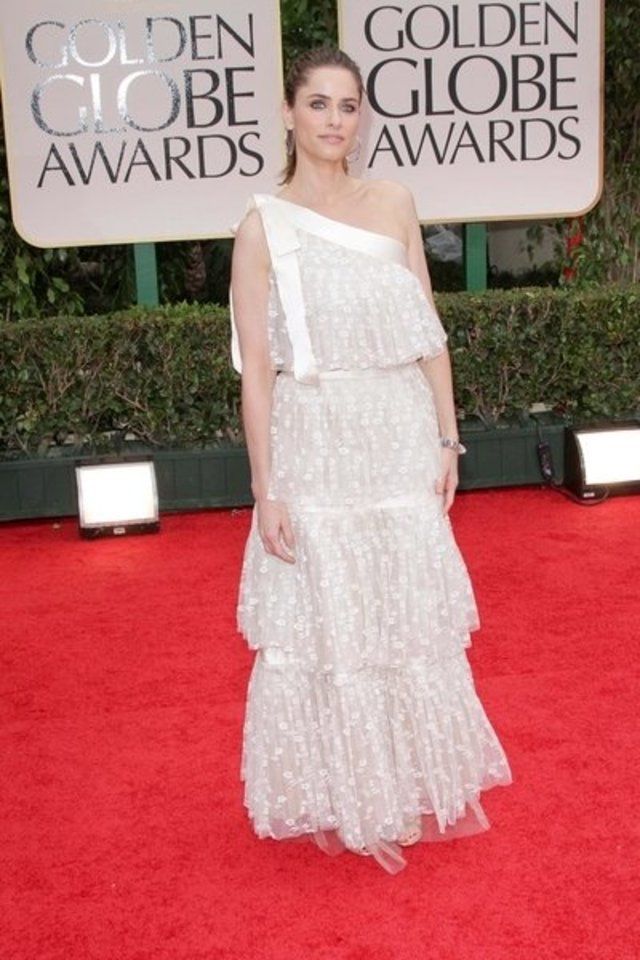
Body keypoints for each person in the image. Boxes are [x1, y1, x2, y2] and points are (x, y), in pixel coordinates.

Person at [229, 45, 513, 875]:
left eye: (347, 105)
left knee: (402, 614)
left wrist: (447, 436)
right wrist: (265, 488)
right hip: (315, 440)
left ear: (362, 118)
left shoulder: (393, 202)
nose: (333, 120)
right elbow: (257, 373)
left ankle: (403, 782)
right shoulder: (262, 227)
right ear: (288, 113)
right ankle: (355, 793)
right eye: (317, 103)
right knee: (336, 624)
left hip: (395, 435)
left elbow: (428, 332)